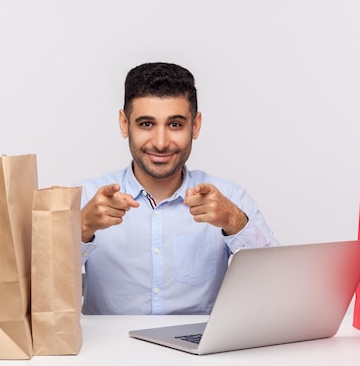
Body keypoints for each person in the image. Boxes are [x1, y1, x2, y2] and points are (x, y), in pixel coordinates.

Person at [75, 62, 278, 315]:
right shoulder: (86, 198)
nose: (161, 143)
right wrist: (81, 228)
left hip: (199, 352)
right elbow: (43, 291)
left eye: (175, 125)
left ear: (195, 125)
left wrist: (235, 221)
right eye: (146, 124)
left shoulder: (230, 198)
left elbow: (277, 290)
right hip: (108, 351)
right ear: (124, 124)